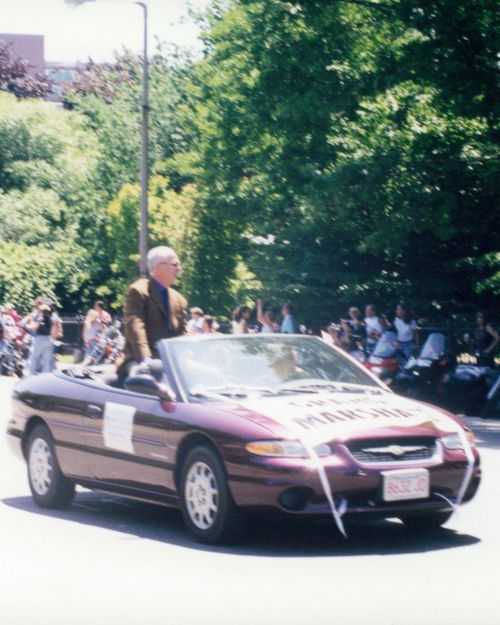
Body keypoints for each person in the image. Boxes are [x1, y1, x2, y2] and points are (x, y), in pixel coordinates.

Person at [117, 246, 188, 375]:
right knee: (145, 377)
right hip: (138, 359)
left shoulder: (179, 299)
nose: (179, 269)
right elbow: (136, 327)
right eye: (175, 264)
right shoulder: (138, 291)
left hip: (170, 361)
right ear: (159, 266)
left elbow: (184, 335)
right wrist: (146, 359)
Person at [24, 297, 62, 375]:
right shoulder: (51, 315)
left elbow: (35, 326)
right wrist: (53, 335)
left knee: (34, 358)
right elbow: (56, 326)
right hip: (49, 338)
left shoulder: (40, 315)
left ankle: (30, 375)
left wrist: (27, 326)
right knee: (47, 360)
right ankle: (46, 377)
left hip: (39, 338)